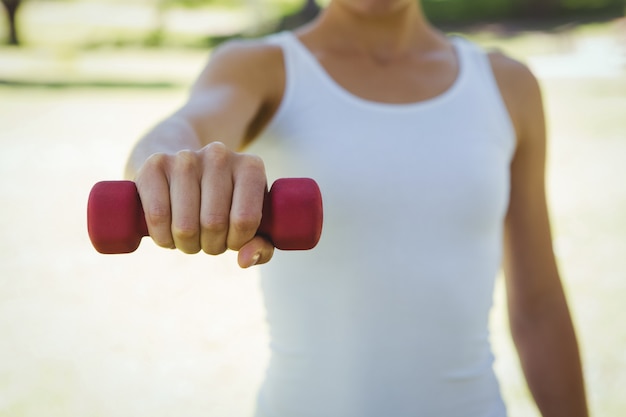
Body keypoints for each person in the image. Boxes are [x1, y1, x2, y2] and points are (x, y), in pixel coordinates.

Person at [124, 1, 588, 416]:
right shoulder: (260, 67)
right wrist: (166, 165)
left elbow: (539, 306)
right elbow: (183, 128)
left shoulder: (507, 84)